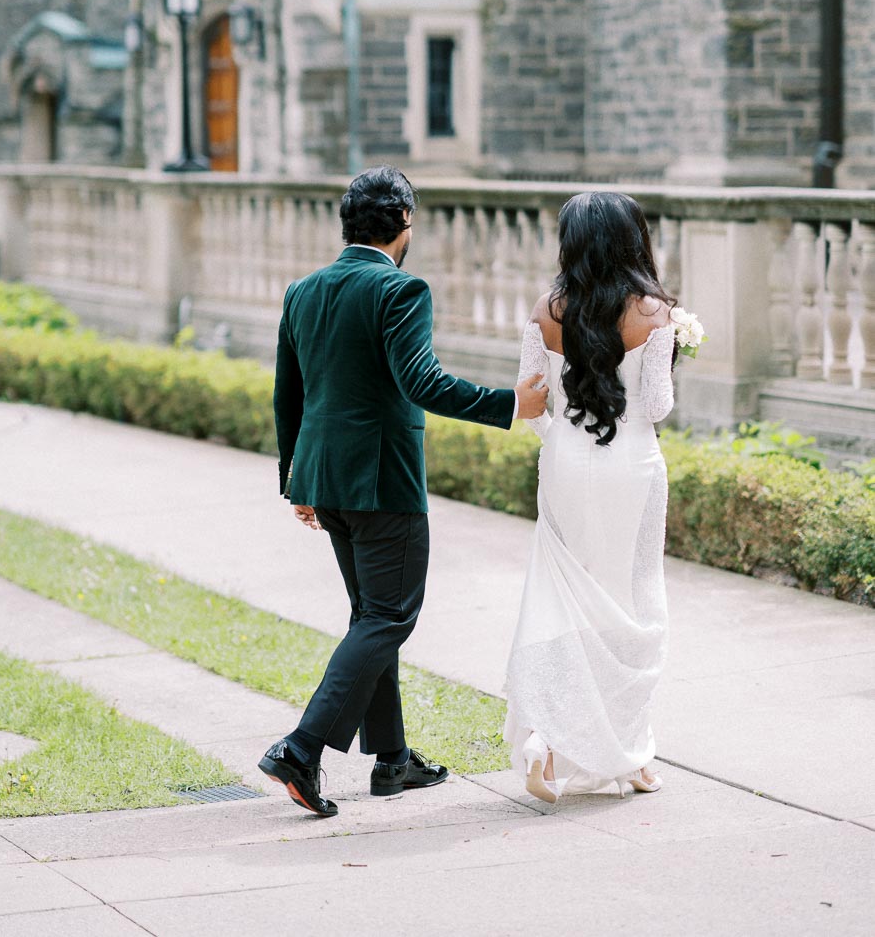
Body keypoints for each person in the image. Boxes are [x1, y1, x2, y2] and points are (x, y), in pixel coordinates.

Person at [259, 165, 549, 817]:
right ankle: (301, 749)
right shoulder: (401, 290)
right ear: (405, 224)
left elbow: (289, 395)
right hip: (384, 482)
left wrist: (294, 480)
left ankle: (393, 761)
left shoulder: (302, 291)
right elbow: (424, 382)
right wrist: (513, 405)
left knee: (372, 619)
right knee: (389, 618)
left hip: (327, 484)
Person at [505, 190, 676, 803]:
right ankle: (630, 755)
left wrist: (557, 440)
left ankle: (545, 740)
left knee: (564, 601)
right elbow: (656, 407)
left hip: (566, 463)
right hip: (632, 465)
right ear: (633, 240)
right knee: (631, 604)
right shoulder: (653, 311)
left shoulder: (547, 307)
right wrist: (669, 349)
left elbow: (529, 402)